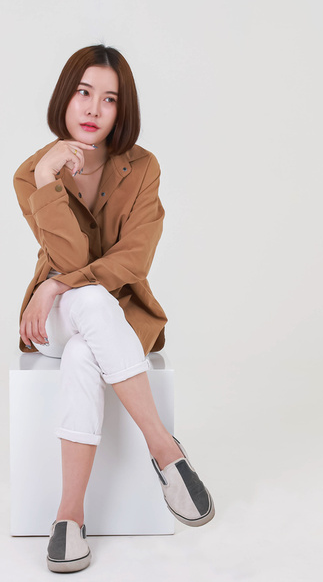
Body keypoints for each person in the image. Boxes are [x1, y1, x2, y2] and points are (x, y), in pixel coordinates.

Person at [13, 44, 214, 573]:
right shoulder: (31, 172)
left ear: (122, 111)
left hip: (114, 314)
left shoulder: (143, 168)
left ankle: (69, 519)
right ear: (65, 96)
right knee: (85, 300)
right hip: (51, 320)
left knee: (84, 354)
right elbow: (71, 254)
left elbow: (134, 259)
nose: (93, 109)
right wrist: (44, 183)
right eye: (83, 92)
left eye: (109, 99)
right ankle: (164, 449)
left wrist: (57, 285)